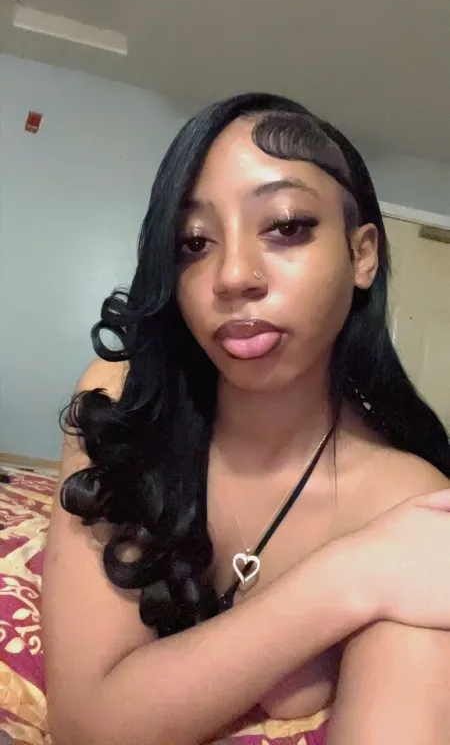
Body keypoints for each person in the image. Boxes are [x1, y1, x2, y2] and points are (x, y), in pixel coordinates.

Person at [43, 93, 450, 745]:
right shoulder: (124, 404)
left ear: (363, 255)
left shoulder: (413, 507)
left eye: (286, 226)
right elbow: (87, 726)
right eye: (194, 242)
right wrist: (352, 576)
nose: (232, 276)